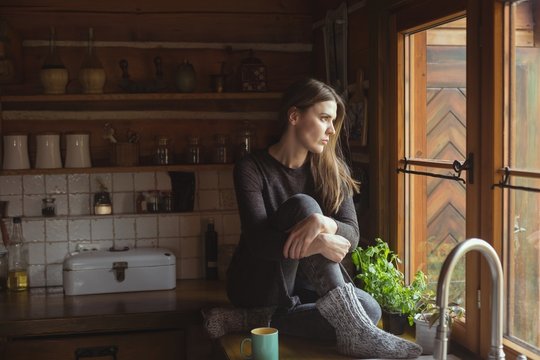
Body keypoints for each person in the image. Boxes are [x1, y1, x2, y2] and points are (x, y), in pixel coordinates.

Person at [203, 78, 422, 359]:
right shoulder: (251, 167)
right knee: (304, 206)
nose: (331, 130)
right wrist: (318, 244)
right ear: (294, 116)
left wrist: (324, 224)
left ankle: (253, 320)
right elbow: (258, 242)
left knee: (369, 309)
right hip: (256, 283)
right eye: (324, 118)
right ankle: (346, 328)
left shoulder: (331, 170)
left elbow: (352, 235)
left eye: (333, 122)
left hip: (307, 291)